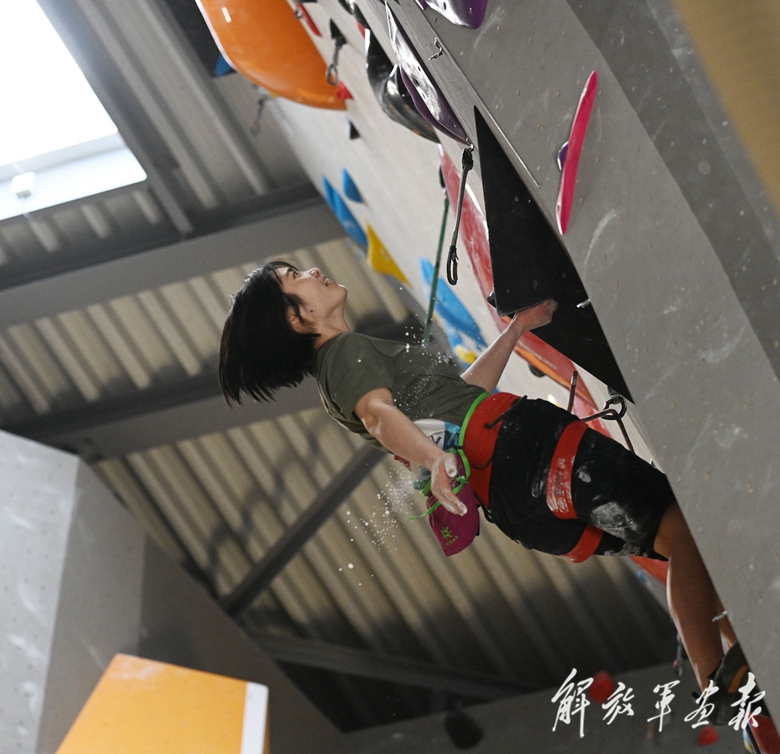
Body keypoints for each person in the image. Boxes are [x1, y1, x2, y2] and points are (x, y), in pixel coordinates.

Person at [219, 261, 756, 723]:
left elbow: (459, 397)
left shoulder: (340, 375)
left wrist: (515, 330)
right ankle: (718, 679)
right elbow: (380, 417)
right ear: (298, 318)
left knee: (682, 545)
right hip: (524, 453)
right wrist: (433, 460)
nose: (312, 271)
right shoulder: (344, 355)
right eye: (295, 277)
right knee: (684, 532)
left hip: (517, 496)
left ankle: (748, 661)